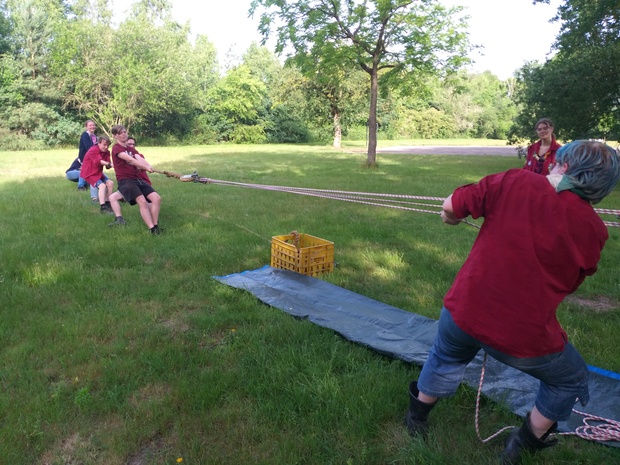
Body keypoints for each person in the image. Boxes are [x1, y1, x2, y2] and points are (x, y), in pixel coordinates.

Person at [404, 141, 620, 465]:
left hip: (462, 313)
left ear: (563, 164)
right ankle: (522, 446)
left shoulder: (516, 181)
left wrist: (449, 217)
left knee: (446, 354)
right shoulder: (594, 230)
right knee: (571, 377)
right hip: (522, 338)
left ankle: (416, 418)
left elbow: (452, 205)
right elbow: (571, 284)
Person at [110, 125, 163, 234]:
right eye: (120, 133)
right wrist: (145, 168)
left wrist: (148, 166)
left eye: (125, 132)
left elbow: (138, 158)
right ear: (115, 136)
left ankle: (156, 226)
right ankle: (152, 229)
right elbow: (131, 160)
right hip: (125, 180)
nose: (124, 134)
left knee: (156, 198)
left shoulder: (131, 149)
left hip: (137, 179)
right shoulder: (116, 148)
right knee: (142, 202)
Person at [107, 136, 152, 227]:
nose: (131, 146)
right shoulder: (123, 155)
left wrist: (148, 166)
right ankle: (120, 220)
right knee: (112, 197)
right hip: (130, 184)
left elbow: (138, 162)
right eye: (129, 144)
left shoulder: (137, 155)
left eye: (133, 144)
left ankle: (153, 222)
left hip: (141, 182)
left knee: (146, 202)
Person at [65, 120, 102, 200]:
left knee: (92, 175)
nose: (92, 127)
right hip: (71, 173)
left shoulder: (94, 137)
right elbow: (89, 147)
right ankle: (80, 187)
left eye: (93, 125)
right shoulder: (85, 135)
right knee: (86, 171)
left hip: (86, 163)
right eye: (90, 125)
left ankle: (87, 185)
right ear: (86, 127)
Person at [79, 135, 115, 214]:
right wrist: (109, 164)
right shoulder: (93, 150)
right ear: (99, 143)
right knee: (102, 186)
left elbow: (107, 166)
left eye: (108, 145)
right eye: (104, 145)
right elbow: (99, 161)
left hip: (98, 173)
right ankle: (103, 207)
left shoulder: (107, 152)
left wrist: (112, 164)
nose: (106, 147)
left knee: (110, 183)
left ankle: (108, 203)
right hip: (89, 173)